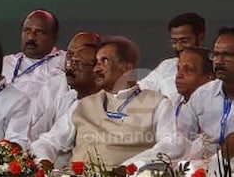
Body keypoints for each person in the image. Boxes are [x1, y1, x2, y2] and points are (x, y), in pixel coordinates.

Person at [32, 36, 183, 169]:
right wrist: (43, 160)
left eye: (104, 61)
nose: (97, 68)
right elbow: (48, 141)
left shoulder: (157, 104)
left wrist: (130, 167)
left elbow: (170, 145)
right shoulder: (82, 105)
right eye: (96, 62)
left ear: (127, 68)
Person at [178, 27, 234, 159]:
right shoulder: (203, 94)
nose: (218, 61)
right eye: (215, 54)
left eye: (226, 55)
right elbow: (181, 138)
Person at [139, 12, 206, 100]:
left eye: (184, 41)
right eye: (174, 42)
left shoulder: (213, 68)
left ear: (201, 38)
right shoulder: (166, 66)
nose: (178, 47)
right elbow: (140, 89)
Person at [2, 10, 65, 98]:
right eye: (27, 30)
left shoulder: (65, 62)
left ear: (54, 37)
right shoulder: (5, 63)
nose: (31, 37)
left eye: (39, 32)